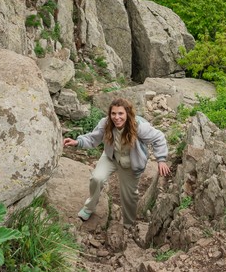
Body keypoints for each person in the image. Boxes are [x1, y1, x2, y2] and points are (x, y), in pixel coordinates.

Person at [63, 96, 171, 226]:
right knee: (96, 178)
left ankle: (128, 223)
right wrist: (77, 141)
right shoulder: (106, 123)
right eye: (113, 113)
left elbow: (158, 138)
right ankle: (88, 208)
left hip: (130, 163)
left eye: (120, 113)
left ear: (127, 114)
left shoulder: (139, 126)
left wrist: (161, 159)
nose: (116, 117)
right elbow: (93, 139)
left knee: (129, 196)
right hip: (111, 157)